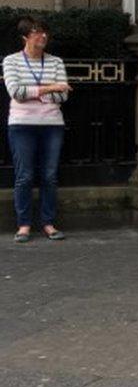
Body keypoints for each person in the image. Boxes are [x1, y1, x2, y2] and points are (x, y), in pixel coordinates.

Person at [3, 17, 71, 242]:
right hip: (21, 125)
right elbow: (16, 93)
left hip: (52, 125)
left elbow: (63, 95)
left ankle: (48, 223)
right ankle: (23, 225)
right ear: (25, 37)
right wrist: (50, 88)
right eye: (37, 33)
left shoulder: (56, 62)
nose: (43, 37)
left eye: (45, 33)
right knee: (25, 176)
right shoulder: (11, 61)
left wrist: (34, 92)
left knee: (49, 176)